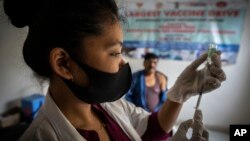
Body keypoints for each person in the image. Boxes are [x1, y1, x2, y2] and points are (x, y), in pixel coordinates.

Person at [3, 0, 226, 140]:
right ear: (63, 63)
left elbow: (151, 129)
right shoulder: (41, 136)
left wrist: (180, 92)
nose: (122, 63)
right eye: (114, 53)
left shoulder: (108, 106)